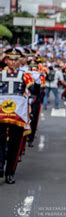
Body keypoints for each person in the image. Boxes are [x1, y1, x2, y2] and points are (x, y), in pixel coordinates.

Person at [0, 48, 34, 184]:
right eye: (10, 59)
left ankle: (10, 172)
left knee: (15, 144)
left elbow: (34, 90)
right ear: (6, 60)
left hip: (18, 114)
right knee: (0, 141)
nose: (13, 62)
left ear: (19, 61)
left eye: (16, 59)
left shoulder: (26, 75)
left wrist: (33, 86)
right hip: (1, 113)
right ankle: (0, 165)